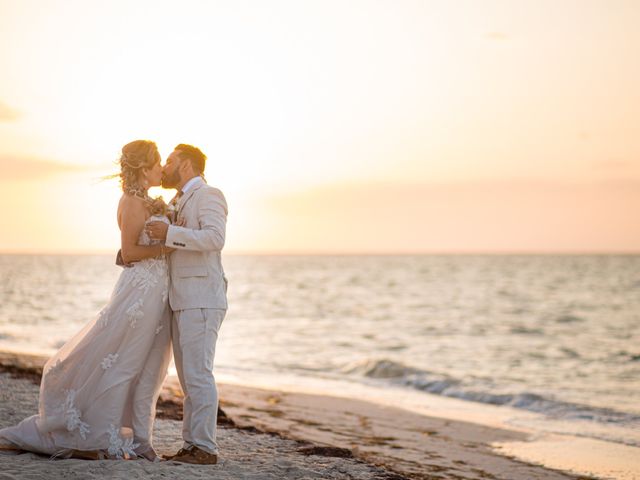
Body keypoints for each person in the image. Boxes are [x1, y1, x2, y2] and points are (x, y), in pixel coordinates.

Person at [0, 140, 173, 461]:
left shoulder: (146, 201)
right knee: (124, 362)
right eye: (158, 161)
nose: (162, 167)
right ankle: (100, 436)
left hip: (155, 292)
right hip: (140, 293)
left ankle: (131, 436)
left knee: (143, 366)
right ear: (143, 168)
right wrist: (171, 246)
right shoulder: (132, 203)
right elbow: (132, 253)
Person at [145, 143, 228, 465]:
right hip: (182, 299)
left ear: (188, 165)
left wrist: (170, 232)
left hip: (202, 298)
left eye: (170, 160)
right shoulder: (177, 200)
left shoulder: (209, 195)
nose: (164, 166)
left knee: (198, 375)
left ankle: (204, 448)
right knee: (188, 377)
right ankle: (192, 445)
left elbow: (214, 238)